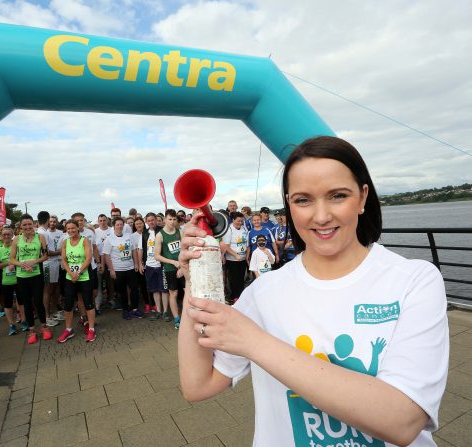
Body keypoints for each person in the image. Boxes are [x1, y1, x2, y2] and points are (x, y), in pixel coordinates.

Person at [178, 136, 449, 446]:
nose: (321, 216)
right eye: (303, 200)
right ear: (290, 205)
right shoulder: (263, 292)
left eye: (337, 196)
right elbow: (197, 385)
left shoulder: (414, 280)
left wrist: (253, 342)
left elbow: (402, 420)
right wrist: (193, 279)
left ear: (362, 198)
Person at [10, 213, 50, 344]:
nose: (28, 227)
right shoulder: (16, 239)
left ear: (34, 224)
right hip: (22, 276)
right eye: (24, 225)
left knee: (39, 302)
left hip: (36, 274)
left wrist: (34, 262)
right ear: (20, 227)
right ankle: (32, 330)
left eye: (30, 224)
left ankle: (44, 327)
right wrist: (21, 264)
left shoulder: (41, 237)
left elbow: (45, 256)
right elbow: (12, 259)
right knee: (27, 303)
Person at [59, 220, 96, 343]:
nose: (71, 231)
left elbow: (88, 258)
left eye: (73, 228)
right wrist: (71, 273)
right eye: (68, 229)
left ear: (78, 228)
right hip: (70, 277)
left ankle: (91, 329)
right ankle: (68, 329)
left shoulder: (84, 240)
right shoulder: (65, 242)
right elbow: (64, 260)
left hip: (84, 276)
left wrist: (78, 273)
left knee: (88, 303)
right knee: (68, 304)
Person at [102, 217, 142, 320]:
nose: (119, 226)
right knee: (122, 291)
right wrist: (111, 270)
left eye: (121, 224)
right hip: (118, 270)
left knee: (134, 289)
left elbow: (133, 251)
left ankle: (135, 309)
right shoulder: (109, 239)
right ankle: (125, 310)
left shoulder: (129, 236)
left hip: (130, 268)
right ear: (114, 226)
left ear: (123, 226)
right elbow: (106, 255)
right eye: (117, 225)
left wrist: (136, 264)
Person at [0, 226, 23, 336]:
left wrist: (15, 264)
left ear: (12, 235)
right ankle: (12, 325)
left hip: (19, 279)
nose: (6, 236)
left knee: (21, 302)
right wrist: (7, 264)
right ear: (1, 236)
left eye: (8, 234)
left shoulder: (18, 248)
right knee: (8, 304)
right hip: (6, 281)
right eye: (4, 234)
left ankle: (23, 321)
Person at [154, 209, 182, 329]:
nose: (172, 222)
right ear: (165, 220)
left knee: (187, 290)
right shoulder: (160, 235)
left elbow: (185, 248)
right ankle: (176, 319)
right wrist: (173, 262)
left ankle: (187, 316)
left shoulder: (180, 232)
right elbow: (157, 255)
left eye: (174, 219)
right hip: (170, 268)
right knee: (173, 293)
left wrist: (182, 263)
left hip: (183, 266)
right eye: (169, 219)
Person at [138, 212, 167, 320]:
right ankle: (158, 311)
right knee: (155, 289)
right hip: (149, 265)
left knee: (164, 290)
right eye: (149, 220)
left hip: (161, 264)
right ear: (146, 221)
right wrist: (141, 263)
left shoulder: (162, 231)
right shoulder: (144, 234)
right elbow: (140, 249)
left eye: (152, 220)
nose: (151, 222)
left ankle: (165, 312)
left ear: (156, 220)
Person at [220, 211, 248, 303]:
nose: (240, 223)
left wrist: (246, 256)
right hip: (232, 259)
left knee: (241, 278)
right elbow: (226, 246)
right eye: (238, 221)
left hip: (243, 258)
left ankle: (241, 295)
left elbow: (246, 243)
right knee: (234, 279)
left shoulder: (244, 228)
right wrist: (235, 255)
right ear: (233, 220)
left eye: (241, 221)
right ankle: (234, 297)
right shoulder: (229, 230)